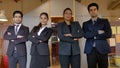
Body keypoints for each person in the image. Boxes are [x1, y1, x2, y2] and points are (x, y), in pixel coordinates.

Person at [82, 3, 112, 68]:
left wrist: (93, 35)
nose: (93, 11)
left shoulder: (104, 21)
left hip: (102, 49)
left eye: (94, 9)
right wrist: (98, 32)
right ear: (89, 12)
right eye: (91, 10)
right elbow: (85, 35)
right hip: (90, 50)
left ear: (97, 10)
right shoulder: (85, 24)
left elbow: (109, 34)